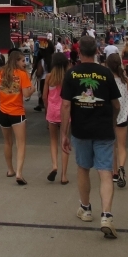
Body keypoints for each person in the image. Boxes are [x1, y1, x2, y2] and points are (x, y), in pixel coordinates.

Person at [62, 36, 122, 238]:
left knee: (83, 168)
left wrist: (64, 133)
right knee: (105, 172)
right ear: (97, 51)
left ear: (79, 53)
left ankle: (86, 208)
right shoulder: (106, 73)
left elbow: (66, 105)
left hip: (81, 129)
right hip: (103, 130)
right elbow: (116, 104)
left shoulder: (72, 74)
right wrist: (112, 121)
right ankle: (107, 215)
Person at [0, 50, 33, 183]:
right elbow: (26, 94)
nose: (24, 63)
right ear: (16, 61)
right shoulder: (22, 74)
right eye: (22, 60)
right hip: (17, 113)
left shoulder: (0, 72)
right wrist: (32, 89)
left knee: (7, 142)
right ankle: (19, 173)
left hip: (3, 112)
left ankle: (10, 169)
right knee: (20, 144)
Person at [106, 53, 128, 188]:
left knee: (112, 145)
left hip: (110, 116)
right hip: (123, 116)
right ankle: (122, 167)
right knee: (122, 147)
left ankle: (114, 173)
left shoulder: (107, 80)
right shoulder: (125, 79)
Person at [45, 52, 71, 184]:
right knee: (65, 141)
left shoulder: (49, 77)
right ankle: (64, 175)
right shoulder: (68, 78)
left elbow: (45, 96)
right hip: (65, 112)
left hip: (52, 111)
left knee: (53, 140)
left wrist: (47, 108)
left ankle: (54, 165)